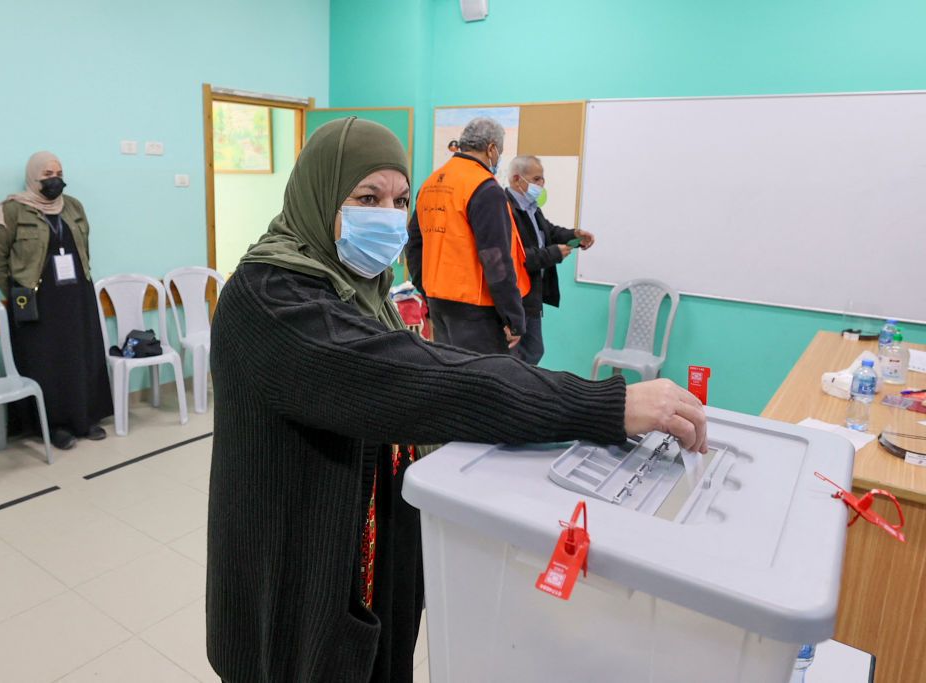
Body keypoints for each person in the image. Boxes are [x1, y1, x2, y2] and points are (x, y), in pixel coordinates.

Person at [207, 117, 708, 683]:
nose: (390, 218)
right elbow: (417, 378)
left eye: (399, 201)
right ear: (316, 194)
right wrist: (603, 405)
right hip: (295, 596)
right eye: (367, 197)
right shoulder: (272, 298)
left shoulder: (356, 287)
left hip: (367, 569)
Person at [0, 151, 112, 450]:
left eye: (58, 173)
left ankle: (84, 419)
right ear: (33, 176)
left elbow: (85, 246)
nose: (55, 180)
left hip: (77, 294)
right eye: (47, 175)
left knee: (80, 356)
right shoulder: (13, 210)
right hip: (38, 301)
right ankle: (54, 426)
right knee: (48, 362)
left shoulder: (73, 206)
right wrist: (18, 290)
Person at [406, 117, 531, 355]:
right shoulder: (485, 188)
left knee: (453, 378)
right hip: (476, 313)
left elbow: (414, 244)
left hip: (439, 305)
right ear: (491, 149)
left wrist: (426, 289)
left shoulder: (430, 184)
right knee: (484, 383)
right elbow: (496, 259)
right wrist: (513, 317)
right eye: (500, 151)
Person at [506, 155, 596, 365]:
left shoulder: (532, 207)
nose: (541, 185)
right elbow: (517, 257)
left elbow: (548, 232)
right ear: (517, 179)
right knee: (514, 358)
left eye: (542, 179)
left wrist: (575, 236)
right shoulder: (505, 209)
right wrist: (553, 254)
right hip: (516, 295)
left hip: (533, 296)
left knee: (534, 351)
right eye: (536, 179)